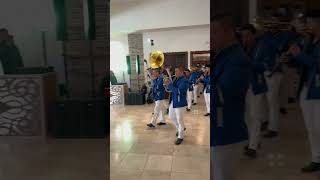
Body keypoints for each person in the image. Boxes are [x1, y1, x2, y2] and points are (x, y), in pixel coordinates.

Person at [211, 15, 250, 180]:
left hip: (227, 132)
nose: (210, 37)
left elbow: (222, 95)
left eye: (213, 32)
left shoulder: (237, 59)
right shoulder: (223, 55)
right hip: (218, 130)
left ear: (228, 33)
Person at [287, 10, 320, 173]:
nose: (308, 25)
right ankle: (316, 158)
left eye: (311, 22)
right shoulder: (309, 40)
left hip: (317, 89)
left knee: (318, 126)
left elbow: (316, 63)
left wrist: (299, 55)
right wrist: (291, 56)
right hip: (306, 88)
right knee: (311, 127)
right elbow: (303, 63)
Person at [240, 24, 276, 158]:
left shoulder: (262, 47)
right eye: (243, 36)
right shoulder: (242, 48)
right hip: (244, 86)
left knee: (255, 116)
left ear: (254, 35)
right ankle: (253, 141)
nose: (245, 38)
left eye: (248, 35)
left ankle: (253, 146)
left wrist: (249, 62)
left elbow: (267, 65)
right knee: (247, 116)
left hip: (256, 85)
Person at [165, 67, 189, 145]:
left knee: (180, 120)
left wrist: (170, 85)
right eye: (175, 71)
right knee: (171, 116)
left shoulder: (184, 80)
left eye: (176, 71)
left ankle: (180, 137)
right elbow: (171, 89)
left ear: (181, 72)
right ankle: (180, 128)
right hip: (174, 101)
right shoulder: (176, 78)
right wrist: (167, 84)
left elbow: (179, 91)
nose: (175, 73)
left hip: (180, 102)